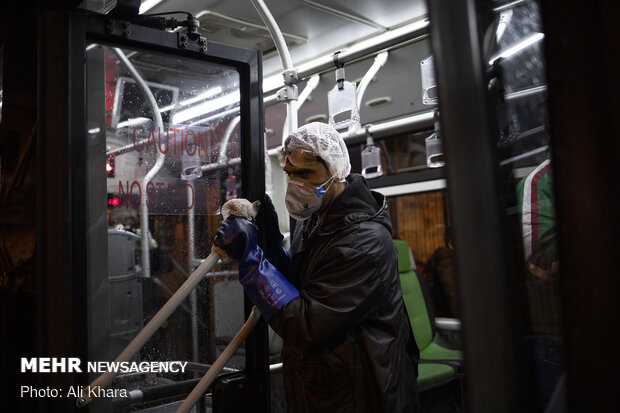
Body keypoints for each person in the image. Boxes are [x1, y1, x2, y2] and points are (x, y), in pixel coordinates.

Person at [214, 122, 419, 413]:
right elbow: (301, 285)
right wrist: (269, 243)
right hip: (325, 383)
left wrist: (251, 260)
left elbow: (305, 322)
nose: (295, 183)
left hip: (361, 392)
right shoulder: (314, 221)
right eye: (290, 174)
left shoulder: (363, 242)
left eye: (305, 173)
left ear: (335, 171)